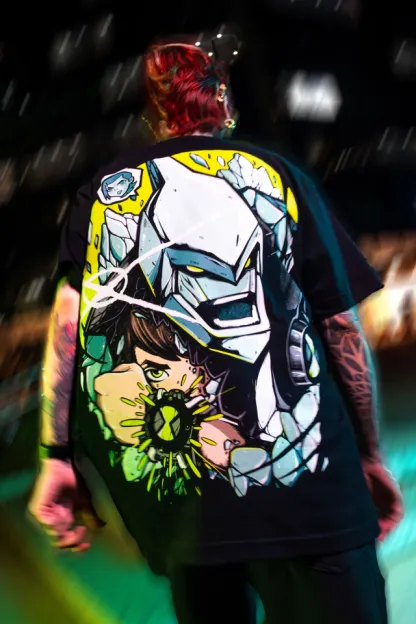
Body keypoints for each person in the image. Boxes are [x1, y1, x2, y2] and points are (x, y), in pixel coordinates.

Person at [29, 41, 404, 624]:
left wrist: (56, 456)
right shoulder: (276, 176)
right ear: (223, 105)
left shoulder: (102, 196)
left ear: (153, 115)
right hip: (314, 501)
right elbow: (339, 328)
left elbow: (67, 334)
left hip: (186, 517)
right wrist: (369, 453)